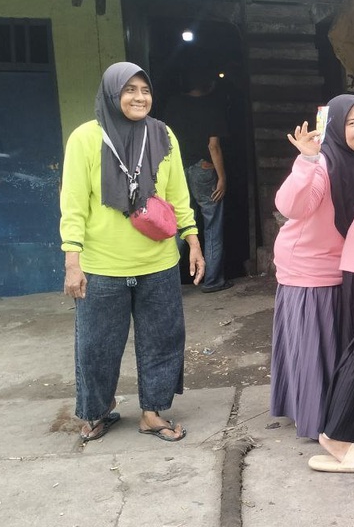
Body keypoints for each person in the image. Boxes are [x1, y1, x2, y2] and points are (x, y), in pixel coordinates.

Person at [60, 62, 203, 444]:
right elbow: (73, 204)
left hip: (158, 261)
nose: (139, 97)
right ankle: (96, 412)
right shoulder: (85, 138)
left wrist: (192, 239)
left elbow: (177, 195)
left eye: (145, 90)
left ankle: (152, 412)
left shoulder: (162, 134)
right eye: (129, 90)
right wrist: (72, 261)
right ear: (111, 93)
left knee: (163, 339)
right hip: (102, 266)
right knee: (96, 345)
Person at [270, 95, 354, 440]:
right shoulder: (322, 164)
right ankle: (317, 419)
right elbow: (291, 205)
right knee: (316, 350)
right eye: (352, 122)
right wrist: (306, 158)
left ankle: (342, 413)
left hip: (352, 268)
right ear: (335, 128)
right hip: (309, 269)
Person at [161, 68, 232, 293]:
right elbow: (213, 146)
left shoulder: (172, 105)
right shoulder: (213, 106)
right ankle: (213, 281)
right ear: (208, 84)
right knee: (212, 223)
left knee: (178, 223)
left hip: (178, 169)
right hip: (203, 168)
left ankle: (165, 280)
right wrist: (222, 177)